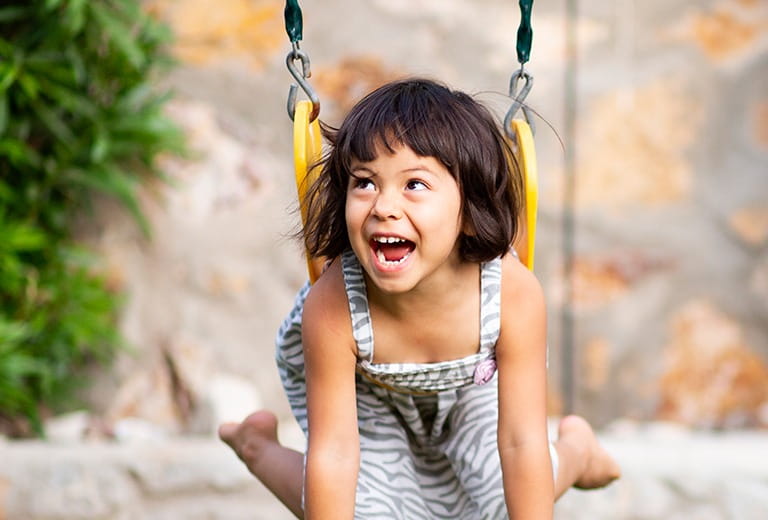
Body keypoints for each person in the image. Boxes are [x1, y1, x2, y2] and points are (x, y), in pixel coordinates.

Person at [219, 78, 620, 519]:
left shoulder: (511, 293)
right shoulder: (334, 303)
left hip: (471, 392)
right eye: (365, 183)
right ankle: (256, 447)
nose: (383, 206)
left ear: (469, 213)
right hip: (370, 395)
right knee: (370, 512)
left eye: (414, 185)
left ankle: (576, 451)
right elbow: (334, 454)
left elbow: (520, 443)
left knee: (496, 505)